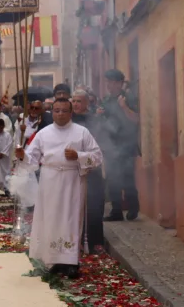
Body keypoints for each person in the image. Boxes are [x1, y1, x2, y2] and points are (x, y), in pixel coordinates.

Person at [15, 98, 103, 278]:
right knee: (51, 218)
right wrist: (22, 155)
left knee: (71, 218)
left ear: (71, 113)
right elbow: (31, 160)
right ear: (51, 112)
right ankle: (53, 260)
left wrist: (78, 155)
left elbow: (97, 157)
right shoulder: (43, 133)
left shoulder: (82, 132)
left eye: (64, 111)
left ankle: (70, 262)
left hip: (73, 181)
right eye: (56, 110)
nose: (60, 114)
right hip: (50, 180)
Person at [99, 69, 140, 221]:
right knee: (112, 178)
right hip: (111, 145)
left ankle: (133, 208)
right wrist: (99, 114)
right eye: (107, 81)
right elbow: (103, 122)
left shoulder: (128, 98)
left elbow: (136, 119)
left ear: (118, 83)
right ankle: (116, 211)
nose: (108, 85)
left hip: (127, 144)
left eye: (110, 82)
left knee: (127, 177)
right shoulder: (106, 100)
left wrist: (124, 107)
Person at [72, 89, 105, 253]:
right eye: (74, 101)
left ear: (87, 103)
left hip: (92, 168)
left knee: (94, 206)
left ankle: (96, 241)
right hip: (72, 169)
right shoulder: (68, 120)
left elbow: (101, 144)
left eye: (79, 101)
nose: (76, 104)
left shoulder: (95, 121)